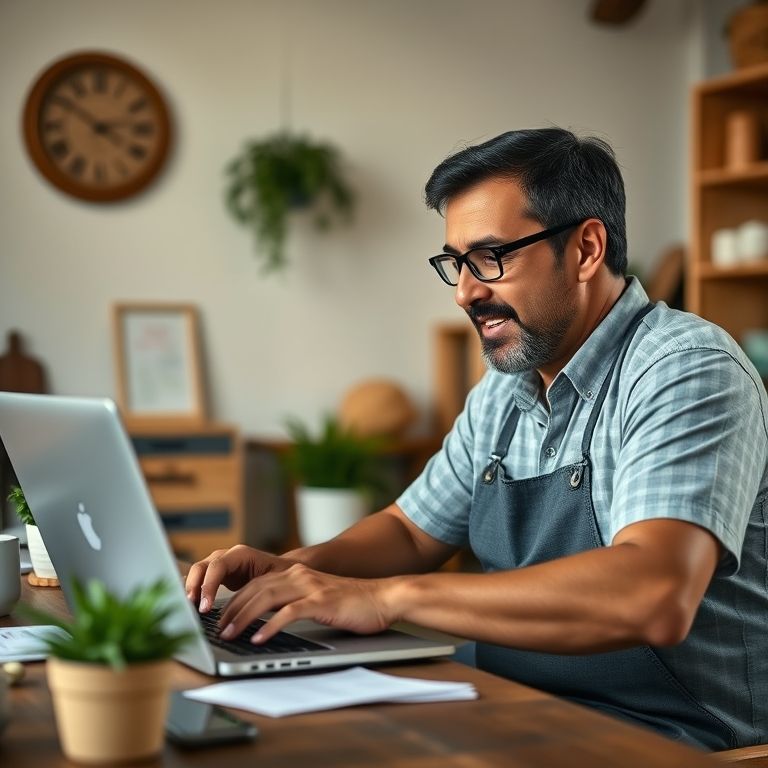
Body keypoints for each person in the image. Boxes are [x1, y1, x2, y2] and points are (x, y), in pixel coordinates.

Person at [187, 128, 768, 750]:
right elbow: (412, 531)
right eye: (456, 264)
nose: (466, 291)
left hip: (673, 738)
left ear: (586, 249)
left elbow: (653, 593)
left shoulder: (685, 368)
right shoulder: (507, 387)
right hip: (520, 707)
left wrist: (384, 599)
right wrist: (295, 573)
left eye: (492, 258)